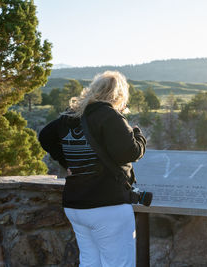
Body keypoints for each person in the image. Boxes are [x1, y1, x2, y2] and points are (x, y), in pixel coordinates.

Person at [38, 71, 146, 267]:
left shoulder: (71, 115)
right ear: (119, 94)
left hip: (76, 205)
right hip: (107, 205)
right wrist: (138, 135)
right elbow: (129, 152)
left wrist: (67, 162)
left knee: (90, 262)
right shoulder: (109, 115)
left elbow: (45, 136)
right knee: (118, 263)